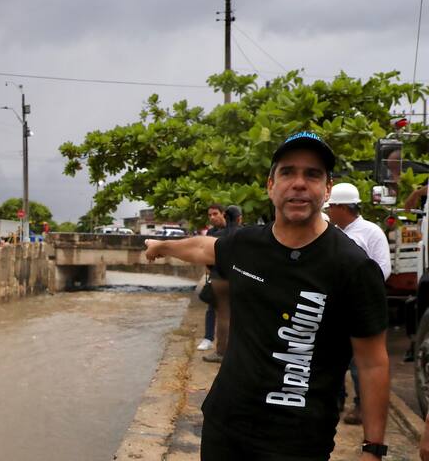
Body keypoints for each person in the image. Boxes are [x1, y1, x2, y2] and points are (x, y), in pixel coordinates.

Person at [145, 131, 389, 460]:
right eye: (287, 172)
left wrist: (373, 449)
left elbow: (372, 363)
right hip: (225, 427)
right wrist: (162, 246)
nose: (299, 183)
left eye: (312, 174)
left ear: (327, 189)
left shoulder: (353, 267)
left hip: (297, 442)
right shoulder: (247, 245)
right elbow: (204, 247)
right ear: (270, 185)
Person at [324, 182, 391, 427]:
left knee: (359, 360)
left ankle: (363, 405)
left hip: (360, 306)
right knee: (332, 355)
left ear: (342, 207)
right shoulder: (333, 233)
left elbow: (383, 269)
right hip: (334, 305)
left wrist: (358, 291)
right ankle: (336, 399)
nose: (328, 212)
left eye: (330, 207)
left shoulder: (370, 232)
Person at [202, 204, 243, 363]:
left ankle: (221, 352)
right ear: (239, 218)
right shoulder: (245, 233)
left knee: (223, 316)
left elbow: (207, 258)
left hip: (219, 277)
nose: (212, 217)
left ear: (224, 215)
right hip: (239, 277)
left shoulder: (216, 235)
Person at [197, 204, 226, 352]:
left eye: (215, 214)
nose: (212, 217)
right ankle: (208, 338)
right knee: (211, 307)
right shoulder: (211, 232)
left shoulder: (233, 229)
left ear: (223, 214)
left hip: (233, 274)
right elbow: (205, 252)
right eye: (210, 215)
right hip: (216, 274)